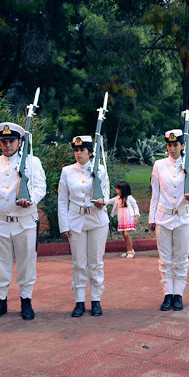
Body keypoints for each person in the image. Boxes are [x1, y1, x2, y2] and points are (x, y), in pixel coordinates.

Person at [0, 122, 46, 321]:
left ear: (19, 142)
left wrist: (31, 199)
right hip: (0, 222)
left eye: (11, 141)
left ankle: (26, 300)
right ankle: (1, 302)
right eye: (4, 141)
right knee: (0, 264)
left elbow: (41, 187)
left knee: (26, 263)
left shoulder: (32, 162)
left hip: (24, 222)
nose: (7, 145)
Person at [58, 136, 110, 317]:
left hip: (96, 220)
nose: (78, 153)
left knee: (95, 262)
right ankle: (79, 300)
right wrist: (63, 225)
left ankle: (96, 299)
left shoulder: (100, 170)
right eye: (76, 150)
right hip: (76, 219)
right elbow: (62, 199)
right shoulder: (67, 171)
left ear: (90, 151)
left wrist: (103, 201)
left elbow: (107, 192)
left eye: (82, 150)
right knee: (78, 263)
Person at [148, 129, 189, 311]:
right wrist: (151, 217)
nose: (172, 148)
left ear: (183, 145)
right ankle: (167, 293)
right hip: (163, 217)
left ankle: (179, 294)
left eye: (175, 144)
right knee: (165, 259)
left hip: (183, 217)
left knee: (182, 258)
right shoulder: (159, 165)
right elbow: (156, 194)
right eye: (169, 145)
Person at [107, 181, 140, 258]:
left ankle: (131, 251)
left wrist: (136, 215)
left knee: (126, 234)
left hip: (129, 218)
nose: (116, 190)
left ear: (122, 190)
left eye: (117, 189)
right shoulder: (117, 198)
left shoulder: (130, 198)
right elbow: (108, 201)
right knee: (124, 235)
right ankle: (128, 250)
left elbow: (135, 206)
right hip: (122, 218)